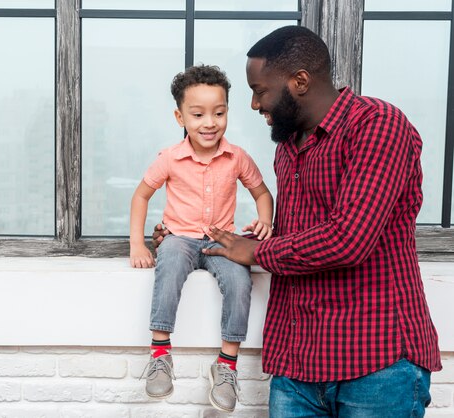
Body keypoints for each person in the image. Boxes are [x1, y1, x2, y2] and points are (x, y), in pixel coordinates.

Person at [153, 26, 442, 417]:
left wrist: (256, 251)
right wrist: (184, 234)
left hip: (379, 363)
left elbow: (348, 238)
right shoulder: (289, 147)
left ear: (300, 81)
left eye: (260, 90)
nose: (254, 104)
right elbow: (295, 238)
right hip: (298, 366)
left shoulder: (378, 125)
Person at [130, 64, 274, 413]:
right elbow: (141, 196)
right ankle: (161, 355)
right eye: (198, 114)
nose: (209, 122)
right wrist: (137, 243)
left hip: (221, 241)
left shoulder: (237, 156)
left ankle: (226, 365)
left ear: (227, 112)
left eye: (219, 113)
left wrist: (265, 221)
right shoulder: (170, 158)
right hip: (180, 236)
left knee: (241, 281)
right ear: (180, 117)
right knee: (171, 263)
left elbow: (262, 193)